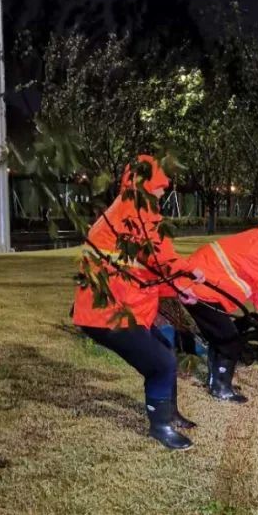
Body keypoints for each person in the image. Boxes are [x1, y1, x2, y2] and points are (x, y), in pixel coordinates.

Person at [72, 155, 199, 451]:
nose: (164, 191)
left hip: (113, 307)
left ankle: (171, 413)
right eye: (160, 185)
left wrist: (179, 288)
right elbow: (160, 259)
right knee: (162, 362)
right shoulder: (138, 212)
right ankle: (161, 427)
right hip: (107, 313)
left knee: (164, 350)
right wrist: (186, 279)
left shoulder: (127, 207)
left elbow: (144, 268)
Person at [180, 216, 258, 403]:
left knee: (222, 337)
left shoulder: (255, 243)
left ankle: (218, 380)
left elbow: (255, 288)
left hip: (204, 290)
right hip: (200, 291)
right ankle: (220, 388)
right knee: (229, 340)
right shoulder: (257, 247)